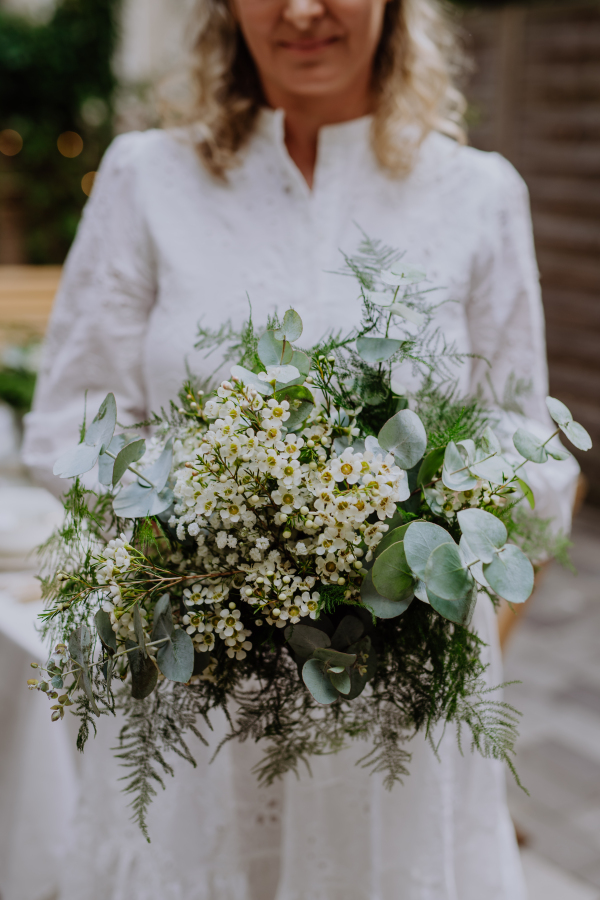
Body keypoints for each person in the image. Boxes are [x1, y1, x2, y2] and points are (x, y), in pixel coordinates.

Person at [23, 0, 579, 897]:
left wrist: (403, 541)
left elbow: (528, 445)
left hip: (400, 706)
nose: (303, 10)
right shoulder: (146, 178)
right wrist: (206, 532)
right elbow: (69, 421)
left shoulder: (479, 194)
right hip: (197, 685)